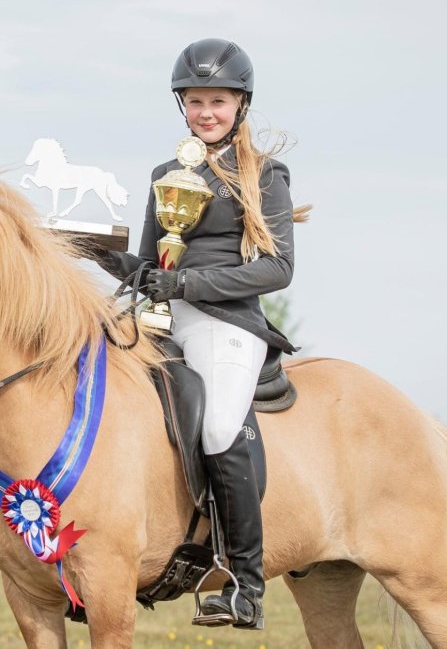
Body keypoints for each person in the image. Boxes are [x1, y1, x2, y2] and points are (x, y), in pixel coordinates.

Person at [95, 38, 305, 630]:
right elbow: (149, 266)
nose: (206, 112)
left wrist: (187, 284)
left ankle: (245, 585)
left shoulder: (265, 174)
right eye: (195, 101)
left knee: (217, 427)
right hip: (162, 319)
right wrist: (99, 253)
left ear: (241, 104)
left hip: (227, 322)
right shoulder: (166, 175)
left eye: (217, 101)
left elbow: (278, 269)